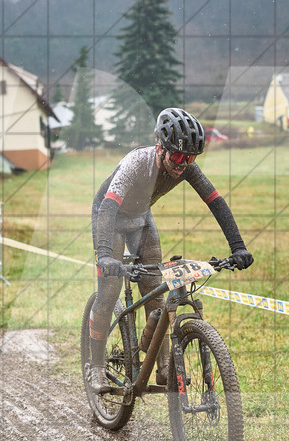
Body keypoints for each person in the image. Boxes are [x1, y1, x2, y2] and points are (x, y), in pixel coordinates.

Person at [86, 108, 254, 394]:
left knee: (155, 291)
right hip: (109, 217)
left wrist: (237, 246)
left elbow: (215, 201)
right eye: (177, 157)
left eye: (190, 158)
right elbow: (108, 206)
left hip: (141, 219)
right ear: (160, 148)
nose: (183, 165)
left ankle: (164, 365)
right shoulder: (136, 163)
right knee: (110, 290)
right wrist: (104, 255)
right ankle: (97, 365)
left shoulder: (187, 168)